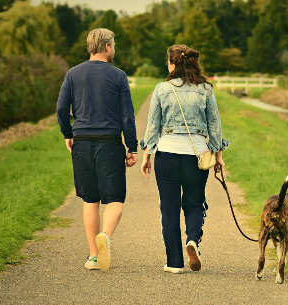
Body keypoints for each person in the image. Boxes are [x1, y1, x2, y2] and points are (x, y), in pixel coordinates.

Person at [139, 44, 229, 273]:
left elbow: (153, 126)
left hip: (167, 154)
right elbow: (215, 126)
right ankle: (193, 240)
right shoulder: (206, 90)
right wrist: (217, 154)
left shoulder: (161, 89)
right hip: (197, 155)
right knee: (195, 202)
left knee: (169, 209)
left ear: (172, 63)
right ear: (192, 63)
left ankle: (174, 263)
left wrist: (147, 155)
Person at [56, 28, 138, 271]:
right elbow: (127, 116)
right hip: (109, 142)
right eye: (113, 45)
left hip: (81, 141)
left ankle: (93, 256)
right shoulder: (118, 76)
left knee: (90, 200)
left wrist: (68, 134)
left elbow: (61, 109)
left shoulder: (72, 74)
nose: (114, 48)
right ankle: (106, 236)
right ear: (106, 47)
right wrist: (131, 147)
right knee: (114, 200)